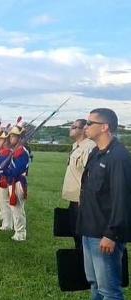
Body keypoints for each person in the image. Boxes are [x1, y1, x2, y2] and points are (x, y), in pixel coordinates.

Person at [78, 108, 131, 299]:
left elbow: (122, 199)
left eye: (90, 123)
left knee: (109, 290)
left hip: (105, 234)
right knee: (95, 284)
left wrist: (112, 234)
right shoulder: (95, 152)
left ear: (105, 127)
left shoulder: (119, 157)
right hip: (90, 229)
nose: (86, 127)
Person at [61, 119, 95, 250]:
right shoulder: (76, 146)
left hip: (82, 199)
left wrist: (85, 196)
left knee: (82, 237)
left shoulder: (89, 148)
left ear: (83, 130)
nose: (71, 129)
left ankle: (83, 266)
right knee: (75, 233)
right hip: (73, 198)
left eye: (74, 127)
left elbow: (90, 174)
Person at [0, 120, 30, 241]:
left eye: (13, 136)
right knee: (15, 208)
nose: (11, 138)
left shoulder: (22, 152)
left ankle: (21, 233)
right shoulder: (16, 150)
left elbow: (17, 170)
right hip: (13, 181)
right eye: (11, 135)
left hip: (18, 181)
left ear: (20, 137)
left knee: (18, 209)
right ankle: (18, 231)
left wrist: (5, 171)